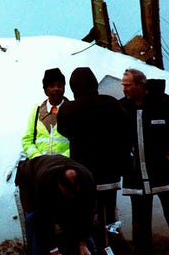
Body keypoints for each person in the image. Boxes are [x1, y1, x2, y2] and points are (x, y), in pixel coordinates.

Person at [57, 67, 132, 254]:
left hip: (84, 175)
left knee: (87, 216)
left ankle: (94, 249)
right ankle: (112, 248)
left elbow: (62, 130)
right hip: (110, 172)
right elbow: (125, 128)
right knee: (110, 216)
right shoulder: (111, 104)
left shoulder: (68, 110)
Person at [120, 68, 169, 255]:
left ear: (140, 84)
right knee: (140, 226)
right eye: (123, 85)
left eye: (128, 85)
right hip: (136, 177)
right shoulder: (122, 108)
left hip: (164, 175)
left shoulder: (164, 102)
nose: (124, 88)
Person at [15, 155, 96, 255]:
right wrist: (54, 249)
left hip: (50, 170)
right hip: (29, 180)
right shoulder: (44, 180)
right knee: (33, 218)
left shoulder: (87, 179)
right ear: (59, 184)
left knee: (72, 221)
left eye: (74, 193)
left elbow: (87, 214)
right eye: (68, 192)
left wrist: (82, 243)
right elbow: (43, 219)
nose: (71, 196)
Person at [21, 68, 70, 159]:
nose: (56, 89)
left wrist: (62, 159)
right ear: (46, 90)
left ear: (64, 88)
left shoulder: (72, 111)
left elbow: (79, 141)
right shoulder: (36, 112)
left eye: (59, 85)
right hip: (40, 167)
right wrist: (38, 159)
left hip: (65, 166)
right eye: (52, 86)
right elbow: (27, 141)